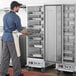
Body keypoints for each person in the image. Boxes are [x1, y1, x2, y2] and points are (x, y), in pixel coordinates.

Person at [0, 1, 28, 76]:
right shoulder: (16, 17)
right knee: (15, 56)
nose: (19, 8)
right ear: (15, 7)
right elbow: (20, 30)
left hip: (4, 37)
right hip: (11, 38)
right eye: (18, 7)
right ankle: (17, 73)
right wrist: (28, 32)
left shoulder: (5, 15)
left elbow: (10, 26)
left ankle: (3, 73)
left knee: (5, 57)